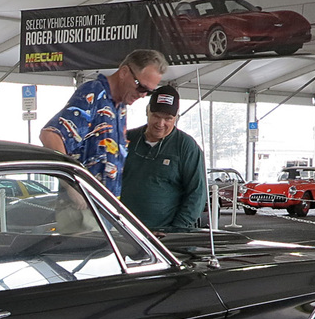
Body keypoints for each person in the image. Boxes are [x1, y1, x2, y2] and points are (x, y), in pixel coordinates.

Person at [39, 49, 166, 196]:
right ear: (124, 72)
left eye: (149, 92)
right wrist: (72, 187)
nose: (142, 95)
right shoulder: (93, 94)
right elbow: (50, 135)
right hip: (84, 207)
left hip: (104, 208)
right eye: (141, 87)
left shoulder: (120, 107)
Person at [119, 84, 206, 232]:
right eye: (156, 116)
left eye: (168, 118)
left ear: (176, 117)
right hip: (124, 232)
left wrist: (176, 231)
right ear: (147, 111)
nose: (160, 124)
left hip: (165, 238)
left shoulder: (186, 147)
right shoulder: (127, 139)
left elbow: (197, 194)